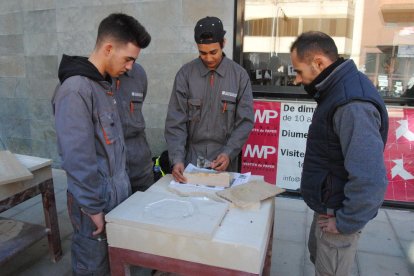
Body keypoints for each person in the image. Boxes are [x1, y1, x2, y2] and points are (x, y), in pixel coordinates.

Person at [52, 13, 150, 275]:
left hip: (117, 193)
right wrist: (92, 207)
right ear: (108, 48)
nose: (130, 67)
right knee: (93, 265)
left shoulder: (105, 87)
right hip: (93, 202)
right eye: (128, 58)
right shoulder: (76, 91)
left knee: (115, 263)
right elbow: (77, 158)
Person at [290, 31, 389, 275]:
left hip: (338, 212)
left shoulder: (351, 104)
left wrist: (346, 222)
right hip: (328, 203)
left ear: (319, 63)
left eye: (299, 71)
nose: (296, 80)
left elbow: (371, 179)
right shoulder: (337, 89)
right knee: (319, 258)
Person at [165, 16, 254, 183]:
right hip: (191, 161)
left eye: (213, 52)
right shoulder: (185, 75)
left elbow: (245, 122)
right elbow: (175, 122)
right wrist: (177, 159)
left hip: (225, 162)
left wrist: (228, 152)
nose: (208, 58)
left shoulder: (240, 76)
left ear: (223, 43)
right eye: (202, 53)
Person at [114, 62, 154, 192]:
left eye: (133, 59)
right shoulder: (90, 81)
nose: (130, 66)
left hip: (141, 167)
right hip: (113, 171)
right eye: (127, 58)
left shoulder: (138, 73)